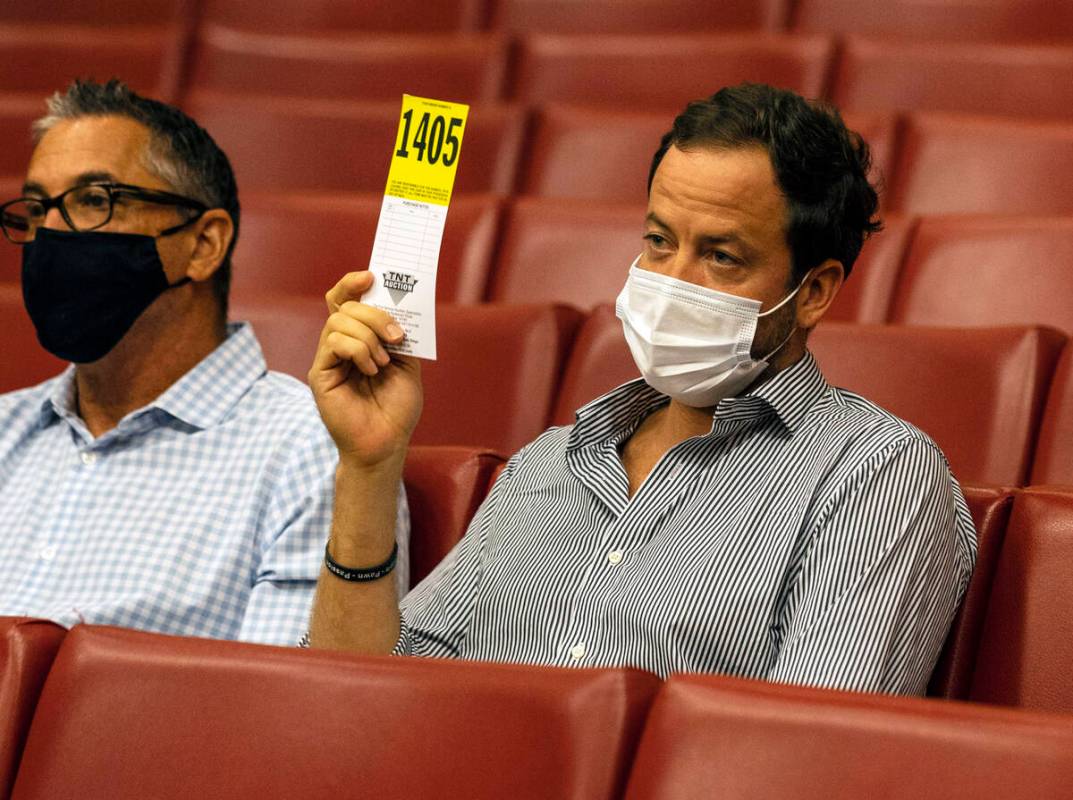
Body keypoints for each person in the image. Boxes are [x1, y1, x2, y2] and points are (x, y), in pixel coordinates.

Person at [305, 83, 976, 695]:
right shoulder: (548, 461)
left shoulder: (872, 475)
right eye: (658, 243)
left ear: (815, 291)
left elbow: (805, 755)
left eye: (720, 256)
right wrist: (368, 467)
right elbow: (361, 698)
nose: (672, 282)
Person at [0, 79, 408, 645]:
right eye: (39, 208)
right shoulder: (6, 431)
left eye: (95, 201)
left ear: (203, 244)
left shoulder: (309, 448)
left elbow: (298, 706)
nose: (50, 234)